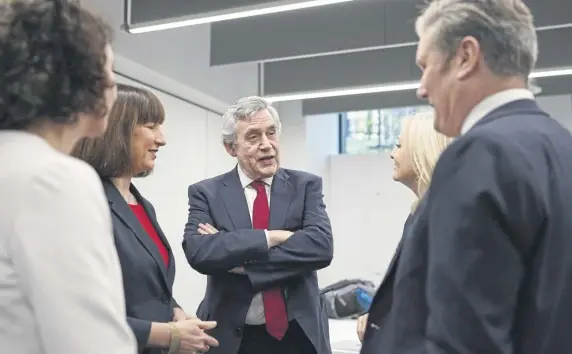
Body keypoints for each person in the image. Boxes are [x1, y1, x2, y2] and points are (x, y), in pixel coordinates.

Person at [379, 0, 572, 353]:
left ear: (466, 56)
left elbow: (466, 339)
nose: (422, 88)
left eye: (425, 66)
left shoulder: (479, 154)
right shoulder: (562, 147)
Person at [0, 1, 136, 354]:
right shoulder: (55, 180)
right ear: (78, 79)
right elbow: (92, 343)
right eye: (109, 69)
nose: (113, 84)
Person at [72, 84, 219, 354]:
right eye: (151, 126)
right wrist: (168, 335)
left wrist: (176, 312)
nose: (161, 139)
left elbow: (149, 286)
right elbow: (77, 310)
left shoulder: (142, 205)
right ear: (118, 131)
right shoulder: (83, 200)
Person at [182, 96, 334, 354]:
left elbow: (320, 248)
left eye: (271, 133)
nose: (267, 145)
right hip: (233, 339)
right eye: (253, 137)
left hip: (298, 335)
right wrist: (272, 237)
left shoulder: (306, 186)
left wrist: (240, 260)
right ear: (231, 148)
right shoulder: (207, 193)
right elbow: (199, 252)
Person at [356, 113, 451, 353]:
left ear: (422, 152)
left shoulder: (439, 216)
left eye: (399, 146)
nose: (392, 153)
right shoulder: (418, 214)